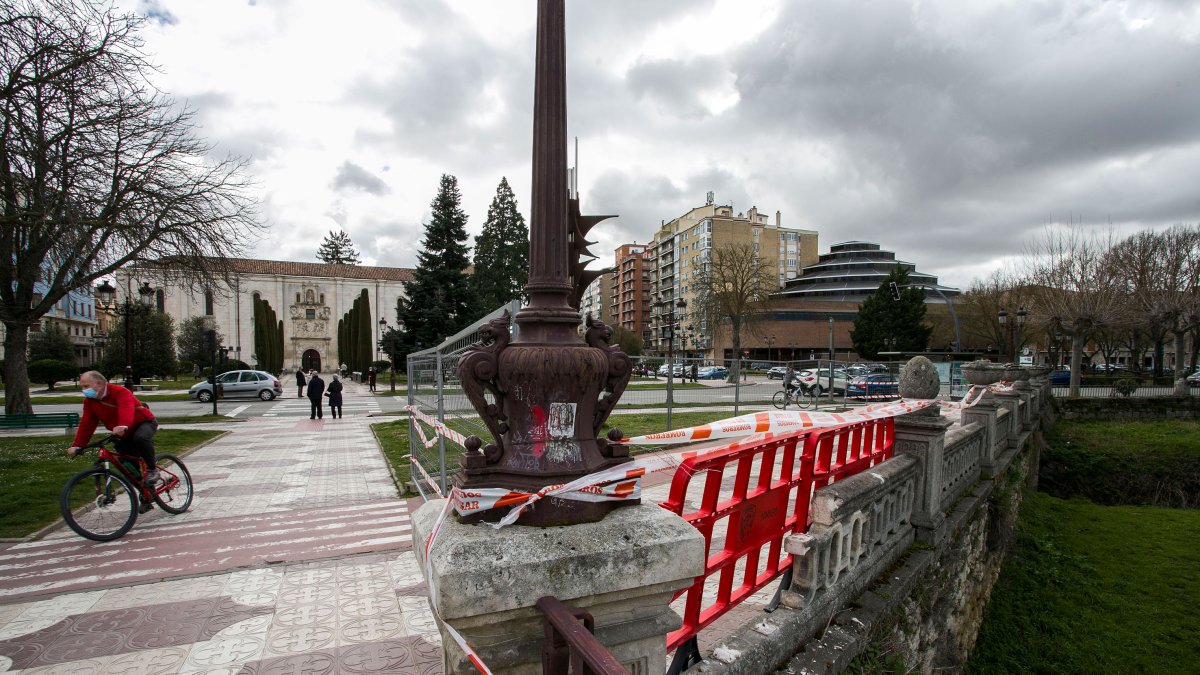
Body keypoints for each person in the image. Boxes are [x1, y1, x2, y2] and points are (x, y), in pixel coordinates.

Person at [66, 371, 159, 512]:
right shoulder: (90, 402)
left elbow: (126, 408)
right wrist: (78, 445)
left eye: (86, 386)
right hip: (122, 432)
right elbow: (87, 424)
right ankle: (147, 494)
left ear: (99, 384)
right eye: (82, 387)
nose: (84, 390)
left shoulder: (120, 392)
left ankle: (152, 469)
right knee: (128, 468)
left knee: (140, 438)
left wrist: (123, 424)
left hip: (142, 423)